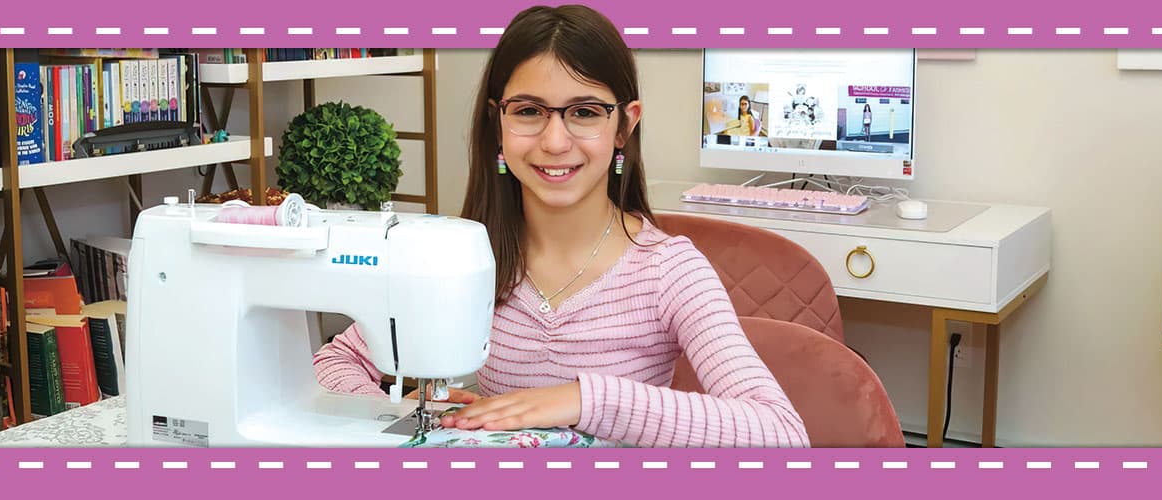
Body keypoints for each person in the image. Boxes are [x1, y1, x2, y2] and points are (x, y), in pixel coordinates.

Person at [313, 4, 808, 448]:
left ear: (624, 125)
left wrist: (579, 401)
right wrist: (400, 417)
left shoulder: (669, 271)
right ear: (498, 122)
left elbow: (781, 434)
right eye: (528, 111)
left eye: (585, 112)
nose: (554, 141)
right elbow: (333, 363)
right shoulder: (463, 262)